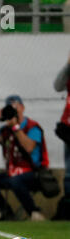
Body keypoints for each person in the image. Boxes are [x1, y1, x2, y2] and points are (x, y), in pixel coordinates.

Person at [0, 95, 48, 221]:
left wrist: (16, 128)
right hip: (12, 173)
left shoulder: (32, 127)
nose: (13, 111)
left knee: (15, 181)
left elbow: (29, 147)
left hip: (32, 173)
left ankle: (34, 212)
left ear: (22, 108)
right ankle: (5, 211)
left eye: (15, 107)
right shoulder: (5, 130)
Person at [53, 52, 70, 220]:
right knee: (69, 172)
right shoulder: (68, 73)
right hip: (68, 128)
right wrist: (67, 65)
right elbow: (57, 86)